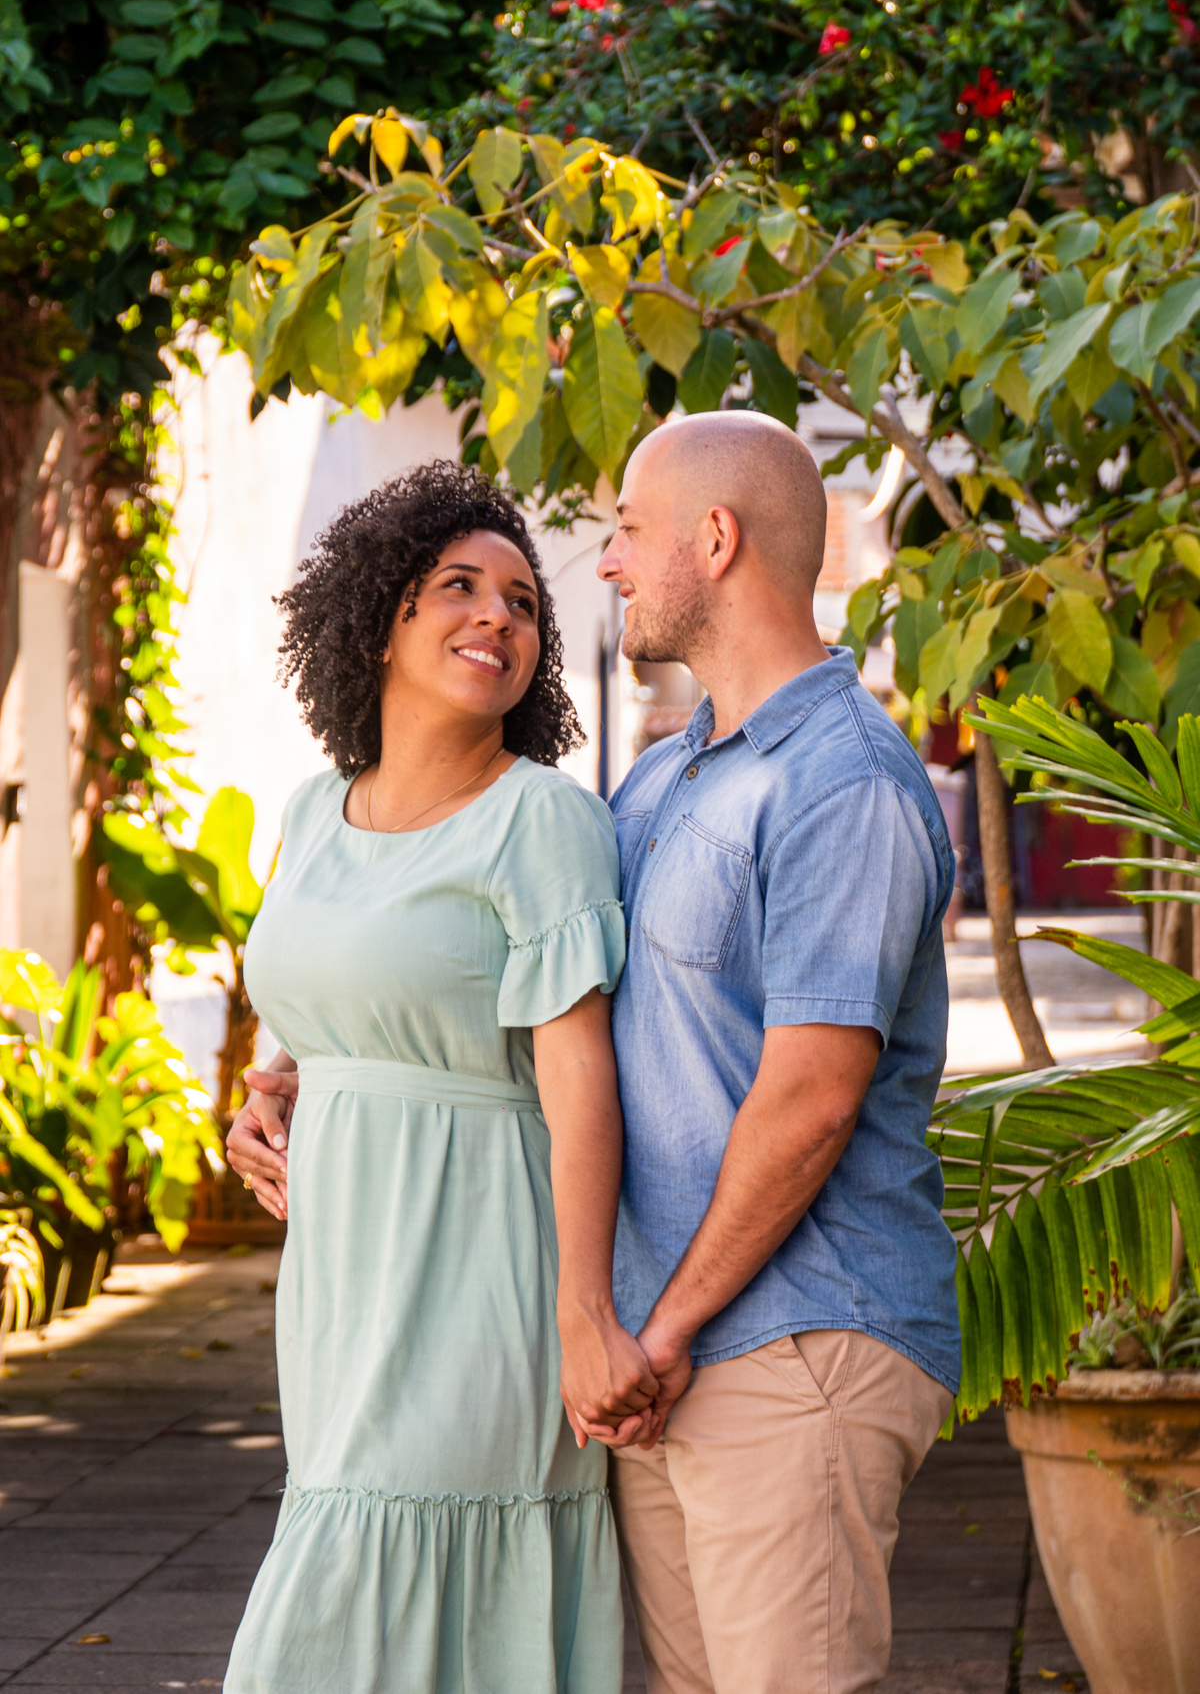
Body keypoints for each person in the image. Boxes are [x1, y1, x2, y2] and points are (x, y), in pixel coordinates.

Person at [222, 460, 657, 1694]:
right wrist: (270, 1093)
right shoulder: (315, 812)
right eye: (459, 586)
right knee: (354, 1548)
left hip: (482, 1273)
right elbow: (331, 1006)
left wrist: (585, 1320)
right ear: (378, 618)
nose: (499, 618)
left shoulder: (542, 822)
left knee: (356, 1604)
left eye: (524, 602)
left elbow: (580, 1083)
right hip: (342, 1283)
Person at [592, 411, 960, 1694]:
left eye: (628, 529)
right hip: (667, 1361)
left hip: (798, 1346)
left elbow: (809, 1099)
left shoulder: (845, 784)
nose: (608, 562)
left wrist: (667, 1327)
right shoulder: (659, 782)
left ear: (716, 536)